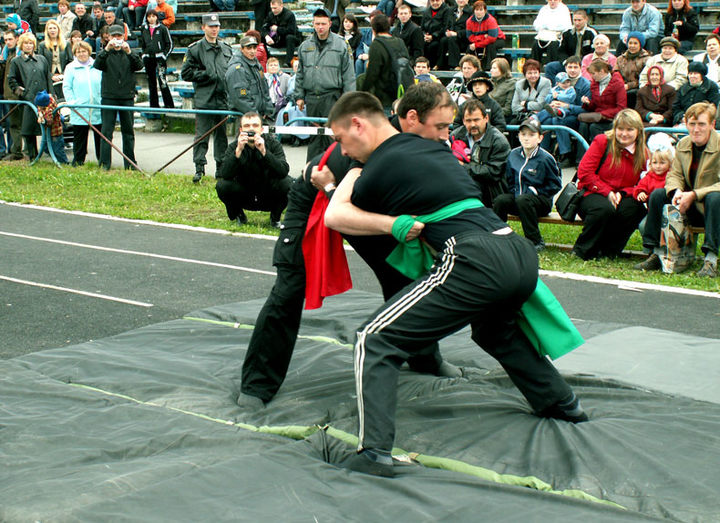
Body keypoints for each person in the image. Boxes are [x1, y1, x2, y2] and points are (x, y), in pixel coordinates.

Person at [323, 91, 587, 477]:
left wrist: (347, 176)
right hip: (515, 250)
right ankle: (562, 404)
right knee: (496, 332)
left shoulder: (380, 164)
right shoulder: (435, 151)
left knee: (374, 339)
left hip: (474, 258)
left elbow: (337, 215)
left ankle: (374, 453)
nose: (343, 149)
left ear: (358, 125)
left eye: (341, 139)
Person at [239, 83, 463, 407]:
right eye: (440, 127)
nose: (445, 135)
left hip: (369, 209)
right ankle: (257, 385)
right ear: (412, 118)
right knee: (288, 289)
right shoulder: (369, 144)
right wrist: (327, 185)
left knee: (405, 281)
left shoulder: (421, 143)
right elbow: (340, 209)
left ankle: (424, 357)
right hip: (323, 202)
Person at [635, 102, 720, 277]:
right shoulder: (683, 144)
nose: (696, 129)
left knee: (715, 197)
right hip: (687, 205)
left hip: (712, 208)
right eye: (692, 124)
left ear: (712, 125)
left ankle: (711, 259)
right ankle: (656, 253)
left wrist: (694, 194)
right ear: (686, 124)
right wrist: (676, 191)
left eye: (702, 124)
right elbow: (674, 175)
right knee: (659, 194)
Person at [572, 109, 648, 260]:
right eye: (620, 129)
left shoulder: (643, 153)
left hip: (621, 195)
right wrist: (607, 192)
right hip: (593, 192)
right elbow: (585, 172)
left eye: (629, 129)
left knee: (635, 208)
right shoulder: (602, 141)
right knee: (604, 209)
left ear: (638, 131)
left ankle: (609, 250)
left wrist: (622, 193)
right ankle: (583, 250)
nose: (624, 133)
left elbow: (643, 182)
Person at [294, 7, 355, 161]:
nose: (320, 27)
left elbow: (349, 75)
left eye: (323, 23)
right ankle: (311, 172)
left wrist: (348, 101)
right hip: (312, 97)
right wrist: (299, 96)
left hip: (332, 97)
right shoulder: (305, 46)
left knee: (332, 137)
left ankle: (334, 169)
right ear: (313, 24)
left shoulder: (341, 45)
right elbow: (300, 73)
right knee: (314, 138)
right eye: (317, 24)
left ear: (329, 23)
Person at [493, 118, 561, 251]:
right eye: (523, 134)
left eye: (531, 135)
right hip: (519, 197)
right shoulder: (513, 155)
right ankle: (499, 237)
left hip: (540, 202)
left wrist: (536, 191)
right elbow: (509, 179)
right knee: (500, 200)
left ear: (540, 138)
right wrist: (513, 191)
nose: (526, 138)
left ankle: (535, 241)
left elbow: (555, 184)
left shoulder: (546, 158)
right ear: (518, 136)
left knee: (523, 200)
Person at [181, 13, 232, 183]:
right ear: (203, 27)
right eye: (211, 26)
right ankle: (199, 167)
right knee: (202, 135)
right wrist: (205, 75)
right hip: (205, 98)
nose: (214, 29)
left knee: (221, 136)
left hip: (222, 98)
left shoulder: (226, 48)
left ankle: (221, 166)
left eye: (216, 26)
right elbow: (186, 73)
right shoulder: (195, 49)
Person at [215, 111, 290, 228]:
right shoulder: (234, 146)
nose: (251, 129)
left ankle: (275, 218)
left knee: (288, 183)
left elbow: (283, 171)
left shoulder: (273, 144)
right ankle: (239, 215)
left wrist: (265, 152)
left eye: (255, 126)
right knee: (222, 186)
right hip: (244, 193)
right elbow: (224, 173)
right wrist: (238, 152)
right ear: (240, 130)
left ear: (262, 130)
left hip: (268, 193)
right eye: (247, 126)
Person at [93, 24, 143, 170]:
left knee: (128, 132)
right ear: (108, 37)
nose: (116, 39)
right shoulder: (105, 53)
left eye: (119, 36)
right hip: (109, 96)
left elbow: (139, 66)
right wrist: (106, 49)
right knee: (106, 131)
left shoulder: (129, 52)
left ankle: (130, 163)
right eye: (113, 36)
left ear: (124, 37)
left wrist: (129, 52)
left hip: (127, 96)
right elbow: (97, 65)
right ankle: (105, 163)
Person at [450, 98, 511, 207]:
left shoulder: (499, 141)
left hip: (491, 191)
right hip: (461, 184)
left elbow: (493, 172)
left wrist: (464, 166)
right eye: (468, 121)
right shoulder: (455, 136)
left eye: (476, 120)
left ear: (486, 118)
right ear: (463, 121)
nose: (473, 124)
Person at [7, 32, 52, 159]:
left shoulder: (42, 59)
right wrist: (22, 93)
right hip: (28, 100)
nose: (28, 46)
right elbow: (12, 80)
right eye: (26, 43)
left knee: (48, 125)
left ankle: (53, 154)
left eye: (31, 43)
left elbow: (48, 77)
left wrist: (51, 95)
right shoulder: (16, 61)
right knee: (29, 129)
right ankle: (33, 156)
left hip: (44, 98)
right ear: (21, 45)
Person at [540, 55, 590, 167]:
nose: (572, 70)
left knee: (557, 120)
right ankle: (544, 153)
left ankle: (565, 154)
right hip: (559, 112)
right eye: (569, 67)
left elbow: (585, 109)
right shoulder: (559, 82)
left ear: (580, 68)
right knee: (546, 121)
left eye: (575, 67)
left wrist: (567, 106)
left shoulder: (585, 85)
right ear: (565, 68)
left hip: (577, 115)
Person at [62, 40, 102, 165]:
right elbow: (67, 87)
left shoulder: (97, 65)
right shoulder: (70, 68)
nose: (81, 54)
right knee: (80, 137)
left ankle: (102, 161)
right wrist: (72, 102)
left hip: (97, 106)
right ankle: (78, 162)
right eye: (78, 52)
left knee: (100, 137)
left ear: (89, 52)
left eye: (84, 51)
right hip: (79, 108)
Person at [360, 13, 408, 112]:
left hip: (385, 96)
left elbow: (372, 73)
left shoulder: (377, 44)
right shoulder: (400, 42)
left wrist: (362, 94)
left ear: (373, 29)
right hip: (402, 92)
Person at [225, 35, 273, 121]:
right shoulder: (237, 69)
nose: (252, 51)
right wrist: (255, 115)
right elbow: (240, 98)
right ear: (242, 49)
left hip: (260, 116)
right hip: (245, 117)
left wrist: (268, 110)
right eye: (249, 48)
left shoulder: (257, 65)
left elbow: (265, 90)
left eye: (254, 48)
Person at [579, 59, 627, 143]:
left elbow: (621, 108)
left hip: (611, 118)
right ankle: (582, 155)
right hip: (597, 117)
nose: (591, 76)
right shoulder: (594, 84)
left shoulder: (618, 84)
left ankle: (600, 153)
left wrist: (602, 114)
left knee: (594, 127)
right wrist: (587, 103)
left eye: (593, 73)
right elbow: (594, 105)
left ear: (601, 71)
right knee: (583, 125)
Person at [138, 9, 174, 109]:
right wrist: (144, 54)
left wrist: (164, 55)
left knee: (162, 81)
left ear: (157, 17)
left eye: (153, 16)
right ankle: (154, 105)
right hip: (148, 58)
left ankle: (169, 105)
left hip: (160, 58)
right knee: (151, 83)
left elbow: (170, 44)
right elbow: (143, 43)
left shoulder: (162, 28)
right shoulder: (144, 28)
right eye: (149, 17)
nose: (151, 19)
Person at [671, 61, 720, 127]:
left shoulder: (711, 87)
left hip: (704, 122)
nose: (692, 76)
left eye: (695, 73)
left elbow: (713, 107)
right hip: (684, 121)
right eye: (690, 73)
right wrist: (681, 117)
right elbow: (676, 107)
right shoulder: (683, 88)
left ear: (702, 75)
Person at [0, 30, 23, 161]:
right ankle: (14, 151)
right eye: (6, 40)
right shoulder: (6, 55)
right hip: (7, 95)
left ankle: (19, 151)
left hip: (18, 96)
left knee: (18, 125)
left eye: (10, 39)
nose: (8, 42)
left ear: (16, 39)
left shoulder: (19, 55)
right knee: (11, 124)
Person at [614, 31, 651, 109]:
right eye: (630, 43)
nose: (632, 46)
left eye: (635, 43)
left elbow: (646, 79)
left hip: (638, 88)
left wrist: (629, 86)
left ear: (640, 44)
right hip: (622, 86)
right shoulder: (620, 59)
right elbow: (615, 74)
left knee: (631, 94)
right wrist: (621, 85)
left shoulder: (647, 59)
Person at [466, 0, 505, 71]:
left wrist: (477, 44)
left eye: (481, 10)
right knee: (469, 48)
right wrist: (482, 37)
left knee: (490, 46)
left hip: (498, 39)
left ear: (485, 10)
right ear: (474, 11)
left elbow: (492, 38)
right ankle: (470, 68)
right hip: (481, 40)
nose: (478, 12)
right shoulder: (469, 21)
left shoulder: (491, 20)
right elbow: (469, 36)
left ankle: (490, 68)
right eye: (476, 10)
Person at [530, 0, 572, 65]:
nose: (552, 1)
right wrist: (549, 26)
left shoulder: (564, 9)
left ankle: (550, 67)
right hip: (544, 36)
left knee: (553, 45)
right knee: (535, 44)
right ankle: (534, 67)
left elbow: (565, 26)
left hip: (557, 37)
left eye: (555, 0)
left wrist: (547, 26)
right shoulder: (543, 9)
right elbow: (536, 25)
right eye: (550, 0)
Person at [510, 59, 551, 124]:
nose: (533, 76)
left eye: (535, 73)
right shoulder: (519, 84)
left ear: (539, 73)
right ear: (525, 74)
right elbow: (514, 106)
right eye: (530, 73)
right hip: (523, 115)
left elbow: (540, 105)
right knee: (513, 122)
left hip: (539, 116)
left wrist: (525, 104)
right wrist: (528, 109)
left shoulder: (545, 83)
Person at [34, 89, 69, 163]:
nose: (39, 108)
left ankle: (64, 163)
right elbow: (39, 108)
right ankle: (56, 159)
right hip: (48, 132)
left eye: (40, 107)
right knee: (45, 147)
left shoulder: (50, 107)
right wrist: (40, 114)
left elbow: (49, 120)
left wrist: (43, 120)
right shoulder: (44, 101)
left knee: (58, 150)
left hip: (55, 132)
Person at [262, 0, 299, 68]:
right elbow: (264, 28)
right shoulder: (270, 15)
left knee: (290, 37)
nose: (273, 10)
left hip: (288, 40)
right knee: (261, 38)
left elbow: (291, 31)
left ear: (281, 6)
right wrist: (267, 36)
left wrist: (278, 29)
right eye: (272, 8)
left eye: (275, 8)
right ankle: (268, 60)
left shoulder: (290, 15)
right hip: (275, 38)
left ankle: (288, 62)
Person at [39, 20, 73, 89]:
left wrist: (63, 74)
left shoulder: (66, 44)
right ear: (47, 31)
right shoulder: (42, 45)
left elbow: (70, 61)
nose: (52, 30)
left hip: (64, 76)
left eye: (54, 28)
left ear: (58, 30)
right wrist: (51, 75)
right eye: (50, 28)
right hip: (48, 77)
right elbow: (41, 63)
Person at [439, 0, 471, 70]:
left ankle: (455, 65)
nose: (461, 0)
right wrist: (447, 32)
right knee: (443, 40)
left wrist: (457, 33)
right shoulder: (451, 10)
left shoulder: (471, 11)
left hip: (465, 38)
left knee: (452, 39)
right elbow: (446, 25)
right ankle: (439, 64)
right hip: (452, 36)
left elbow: (471, 30)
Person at [420, 0, 452, 68]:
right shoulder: (426, 11)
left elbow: (445, 26)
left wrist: (433, 36)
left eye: (437, 0)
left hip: (439, 36)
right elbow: (422, 27)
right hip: (427, 37)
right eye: (432, 1)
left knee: (433, 46)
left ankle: (435, 65)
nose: (435, 3)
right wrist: (425, 35)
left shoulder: (447, 10)